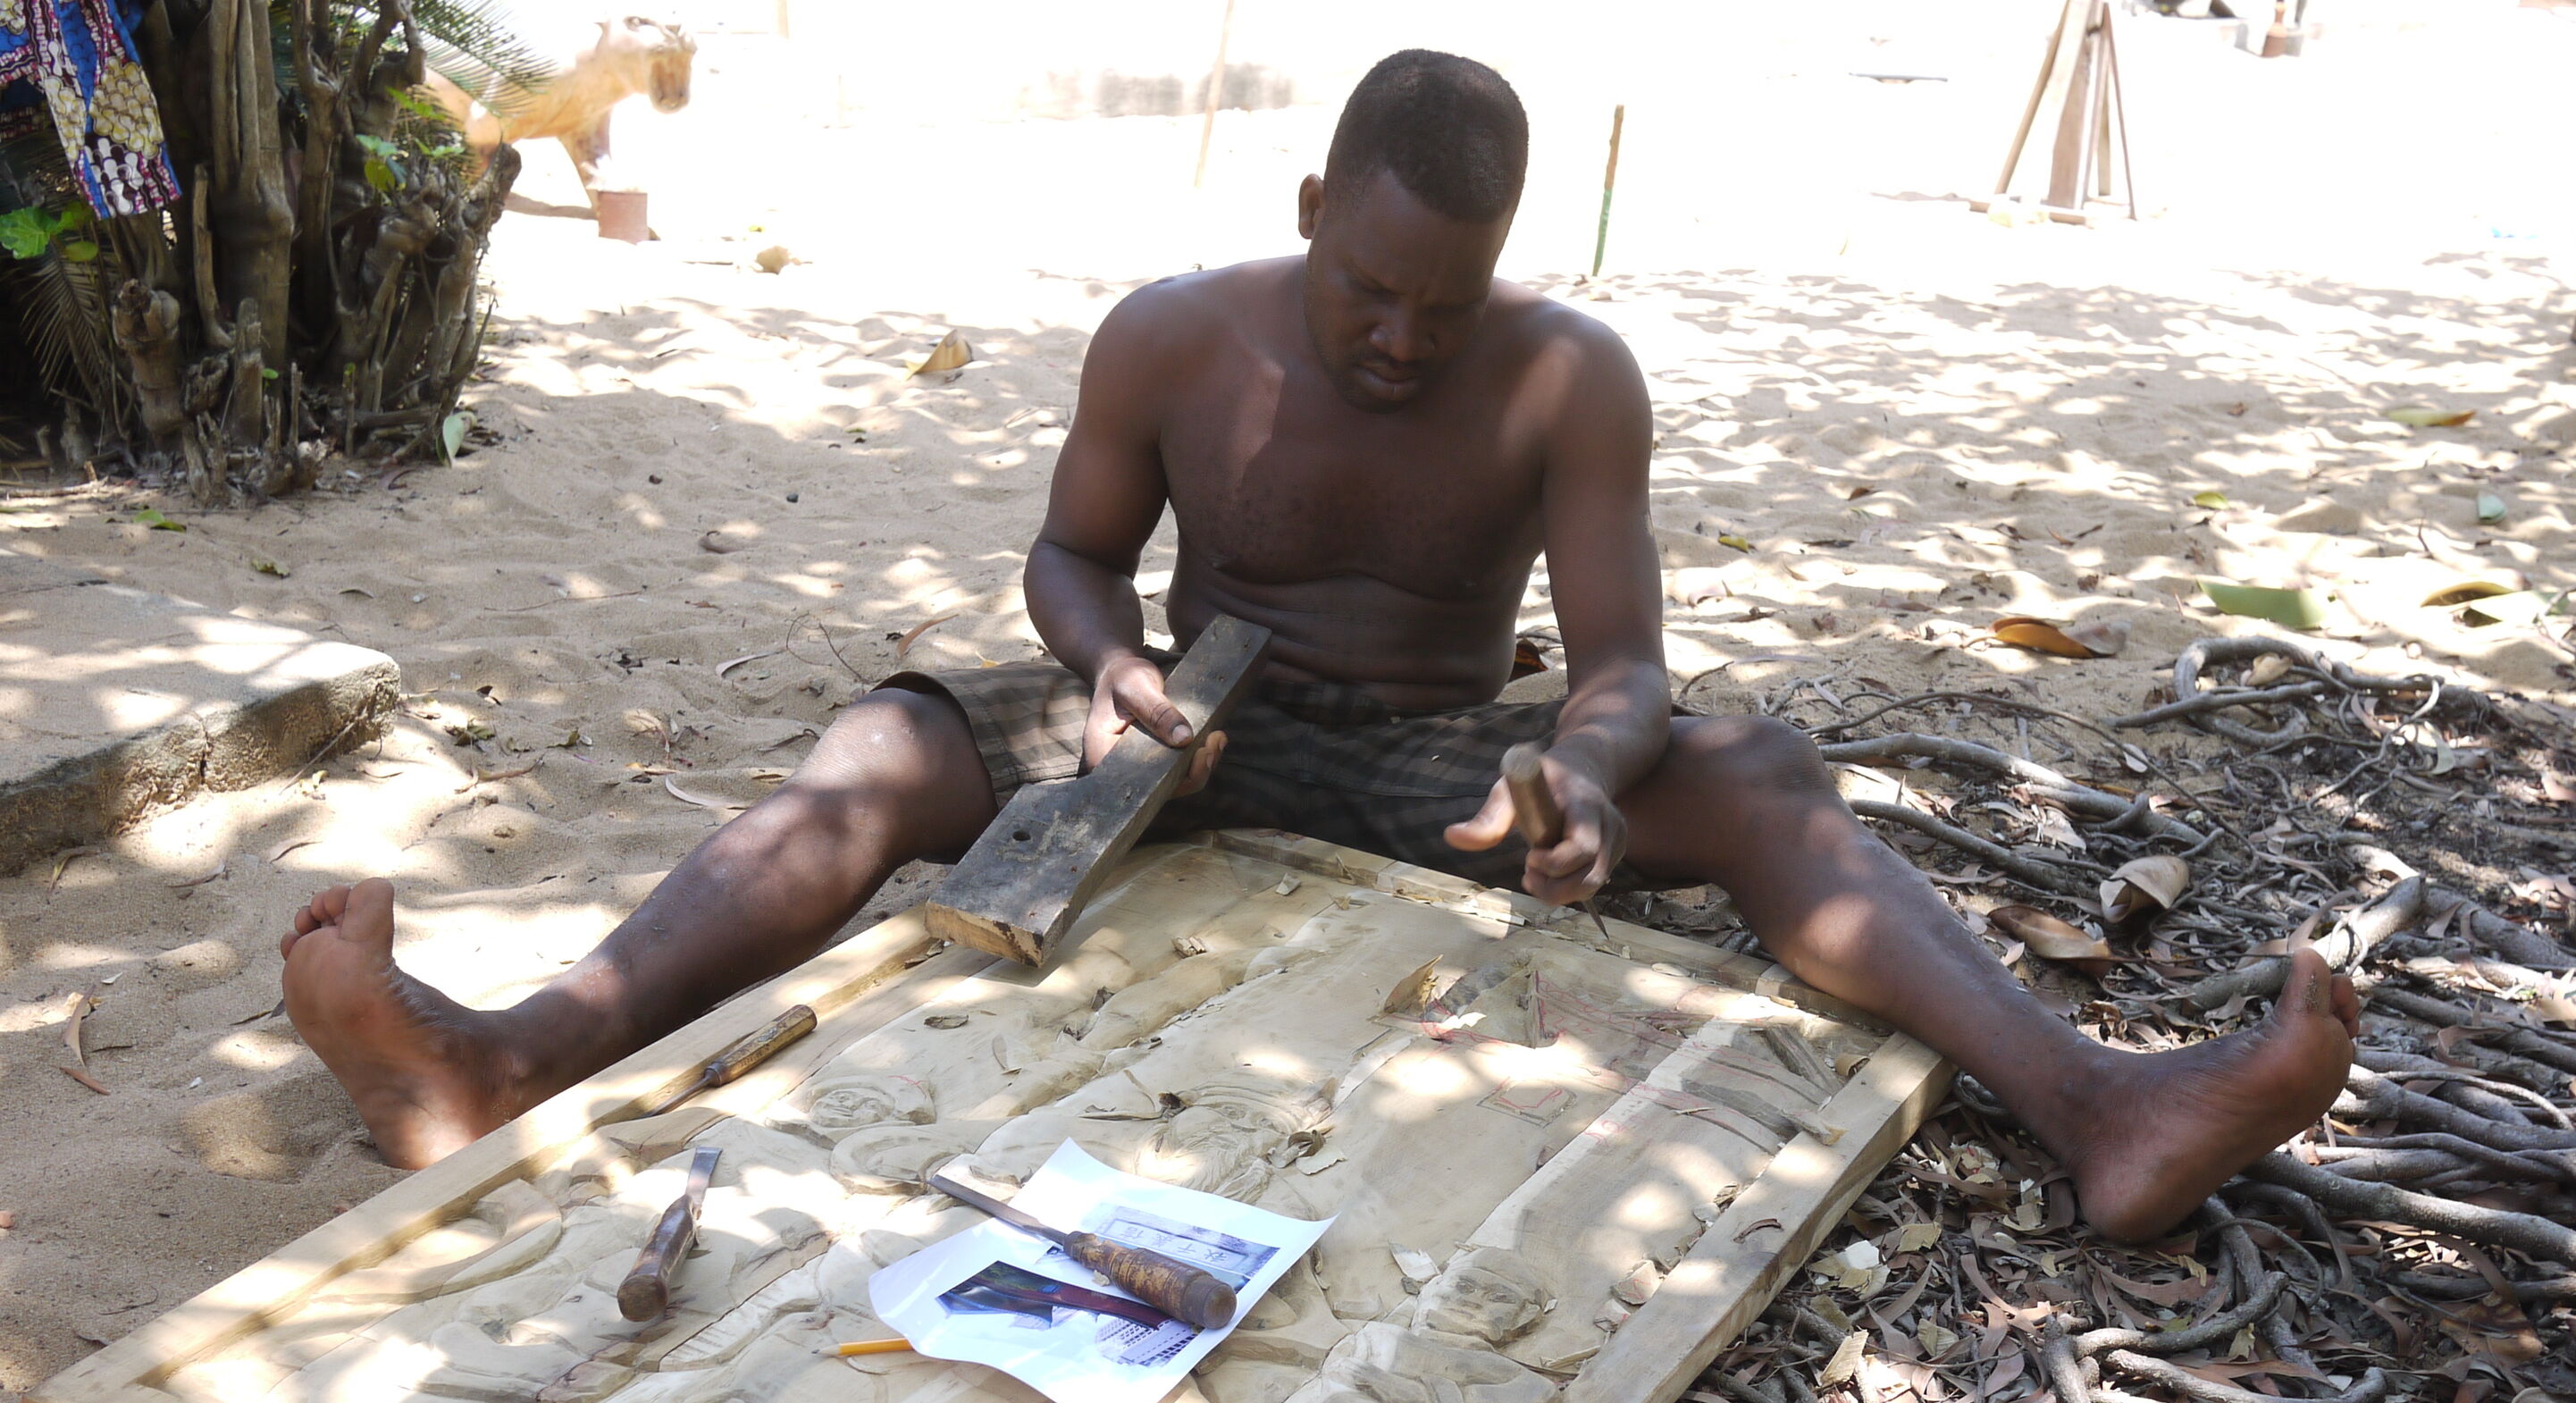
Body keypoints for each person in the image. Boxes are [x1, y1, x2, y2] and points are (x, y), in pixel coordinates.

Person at [281, 48, 2354, 1242]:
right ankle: (510, 1055)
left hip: (1439, 760)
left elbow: (1626, 658)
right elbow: (1071, 560)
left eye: (1443, 307)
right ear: (1308, 209)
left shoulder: (1569, 380)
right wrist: (1103, 672)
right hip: (1179, 742)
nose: (1398, 338)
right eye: (1369, 289)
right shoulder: (1175, 332)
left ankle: (2100, 1111)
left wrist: (1592, 776)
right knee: (888, 746)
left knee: (1767, 773)